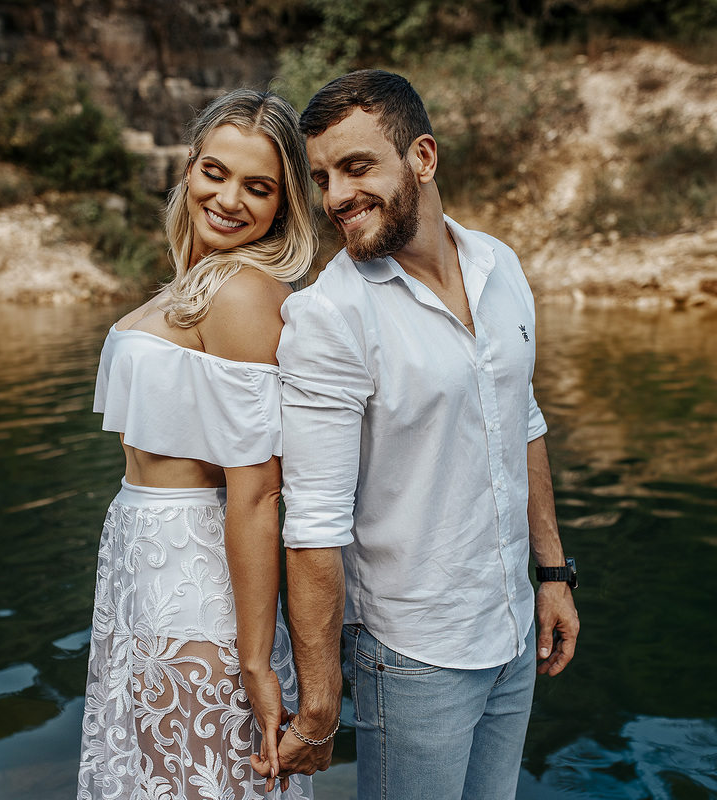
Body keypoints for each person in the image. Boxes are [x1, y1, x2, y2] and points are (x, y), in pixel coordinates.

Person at [274, 70, 581, 799]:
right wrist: (320, 700)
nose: (335, 197)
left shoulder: (499, 265)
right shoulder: (329, 318)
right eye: (321, 177)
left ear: (423, 157)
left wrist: (554, 574)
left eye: (356, 167)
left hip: (511, 631)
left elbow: (523, 421)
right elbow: (311, 525)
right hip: (412, 655)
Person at [78, 88, 317, 800]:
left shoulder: (243, 293)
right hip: (143, 568)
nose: (230, 199)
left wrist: (254, 661)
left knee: (198, 783)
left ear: (284, 203)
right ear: (189, 166)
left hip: (195, 581)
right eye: (216, 172)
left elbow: (257, 490)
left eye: (259, 186)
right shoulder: (195, 284)